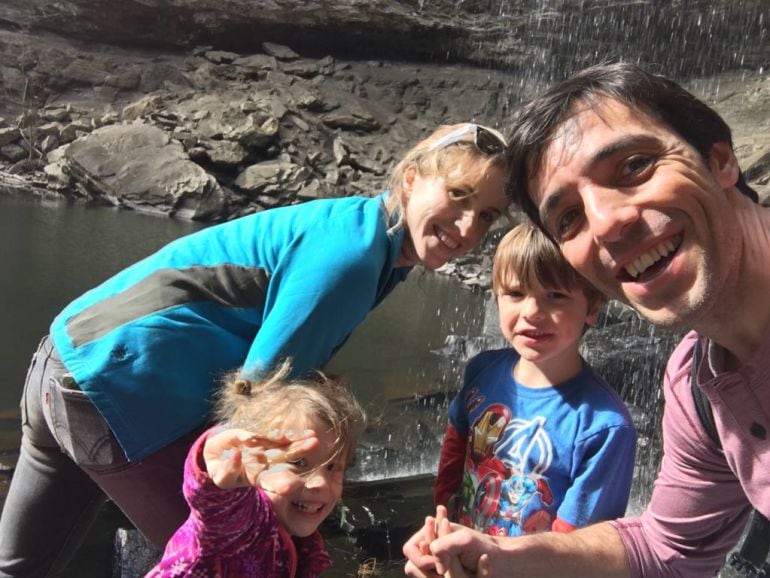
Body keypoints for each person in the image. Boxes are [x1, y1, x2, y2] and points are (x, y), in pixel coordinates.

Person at [0, 122, 510, 577]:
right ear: (411, 178)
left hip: (63, 358)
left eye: (486, 215)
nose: (467, 229)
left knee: (20, 567)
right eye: (458, 196)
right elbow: (258, 395)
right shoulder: (352, 258)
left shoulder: (361, 234)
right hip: (111, 387)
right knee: (243, 560)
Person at [403, 62, 770, 577]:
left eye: (634, 166)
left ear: (721, 159)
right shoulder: (697, 385)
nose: (607, 223)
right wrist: (500, 556)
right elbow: (666, 551)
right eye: (568, 218)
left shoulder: (607, 422)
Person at [434, 221, 636, 538]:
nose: (531, 311)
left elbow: (579, 542)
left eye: (554, 295)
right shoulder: (481, 371)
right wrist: (443, 513)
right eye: (515, 293)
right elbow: (458, 438)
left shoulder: (603, 426)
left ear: (593, 307)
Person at [145, 360, 365, 577]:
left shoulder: (303, 545)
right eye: (298, 463)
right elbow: (216, 505)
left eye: (332, 467)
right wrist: (214, 472)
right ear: (250, 462)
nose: (320, 482)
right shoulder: (243, 523)